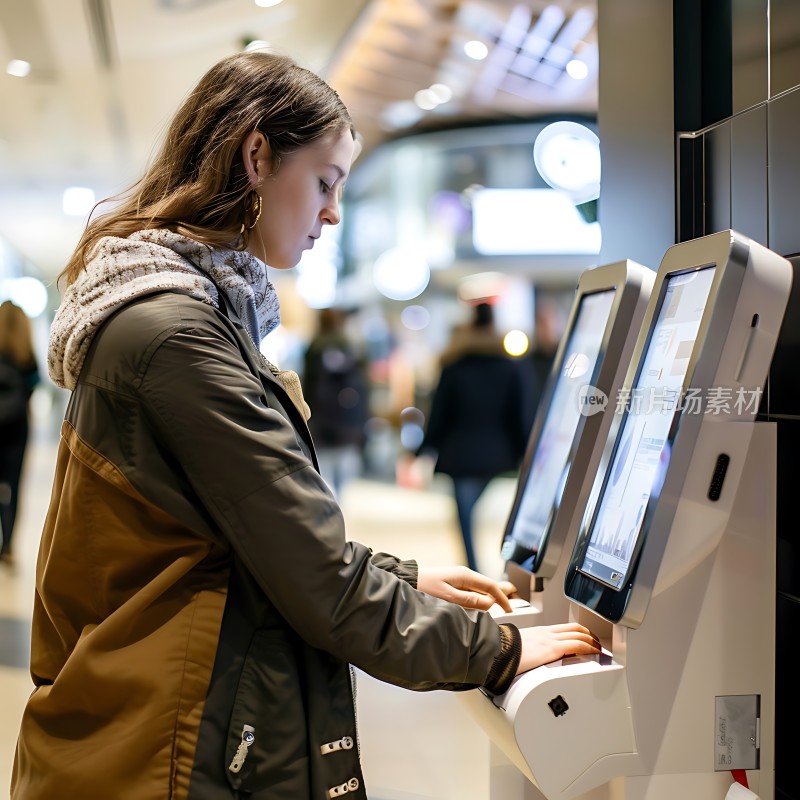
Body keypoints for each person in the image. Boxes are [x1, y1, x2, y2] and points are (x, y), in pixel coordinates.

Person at [12, 51, 599, 799]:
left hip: (151, 726)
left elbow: (252, 538)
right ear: (257, 155)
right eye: (324, 181)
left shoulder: (178, 317)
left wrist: (408, 579)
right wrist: (497, 650)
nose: (331, 213)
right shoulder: (176, 336)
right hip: (166, 748)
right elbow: (320, 585)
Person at [418, 302, 530, 572]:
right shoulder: (511, 368)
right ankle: (506, 570)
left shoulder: (454, 367)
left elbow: (440, 415)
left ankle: (473, 570)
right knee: (498, 517)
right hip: (499, 454)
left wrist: (422, 449)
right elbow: (521, 415)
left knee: (465, 518)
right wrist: (525, 453)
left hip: (461, 454)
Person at [302, 307, 368, 498]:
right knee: (343, 469)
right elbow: (362, 387)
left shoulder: (314, 347)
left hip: (319, 417)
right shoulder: (352, 347)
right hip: (347, 419)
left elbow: (308, 386)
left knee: (323, 470)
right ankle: (338, 503)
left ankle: (329, 503)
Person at [0, 299, 40, 561]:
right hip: (17, 427)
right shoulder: (26, 355)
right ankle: (8, 546)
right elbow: (34, 385)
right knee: (13, 485)